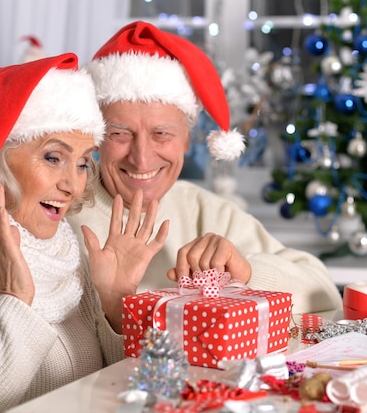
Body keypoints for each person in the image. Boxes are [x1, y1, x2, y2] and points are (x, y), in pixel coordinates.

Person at [0, 53, 167, 413]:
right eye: (53, 157)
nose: (73, 184)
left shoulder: (61, 253)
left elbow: (115, 388)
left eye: (83, 163)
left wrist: (115, 303)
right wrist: (17, 300)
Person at [68, 21, 343, 315]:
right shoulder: (61, 211)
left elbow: (325, 293)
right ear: (96, 139)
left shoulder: (205, 210)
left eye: (161, 134)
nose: (142, 159)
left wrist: (247, 273)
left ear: (187, 139)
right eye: (119, 134)